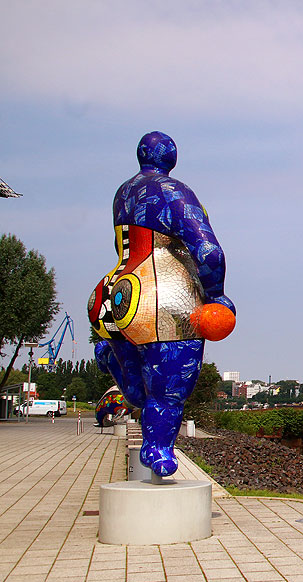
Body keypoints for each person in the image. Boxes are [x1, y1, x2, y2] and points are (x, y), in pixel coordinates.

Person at [89, 131, 234, 476]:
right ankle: (157, 450)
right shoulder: (174, 192)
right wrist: (215, 296)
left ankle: (114, 358)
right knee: (169, 392)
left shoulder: (123, 192)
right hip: (164, 300)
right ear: (171, 158)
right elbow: (209, 251)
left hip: (114, 293)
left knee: (141, 395)